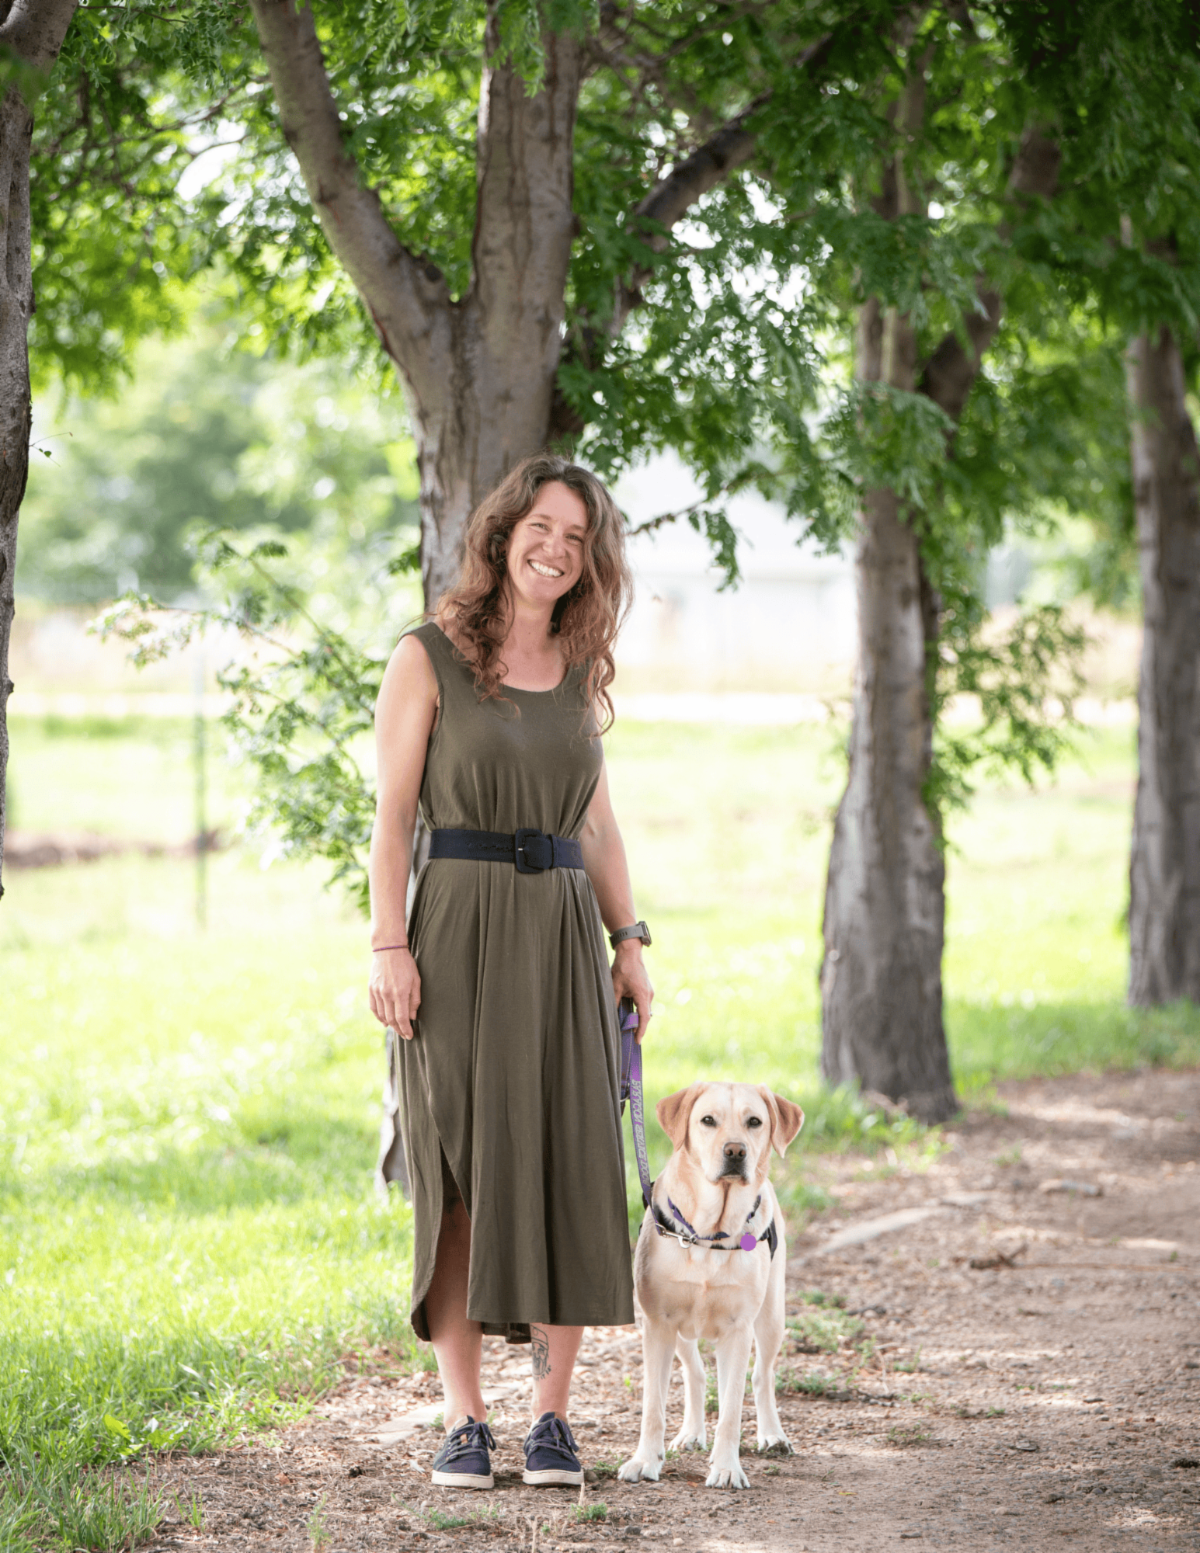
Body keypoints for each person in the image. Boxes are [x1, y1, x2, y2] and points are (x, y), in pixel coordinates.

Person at [367, 453, 654, 1492]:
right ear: (503, 533)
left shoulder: (583, 665)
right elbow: (394, 817)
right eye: (542, 526)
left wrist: (631, 939)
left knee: (570, 1164)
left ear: (591, 560)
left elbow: (599, 821)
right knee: (457, 1173)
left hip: (564, 935)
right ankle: (463, 1418)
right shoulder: (429, 655)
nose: (556, 548)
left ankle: (554, 1419)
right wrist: (386, 944)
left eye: (578, 538)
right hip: (452, 932)